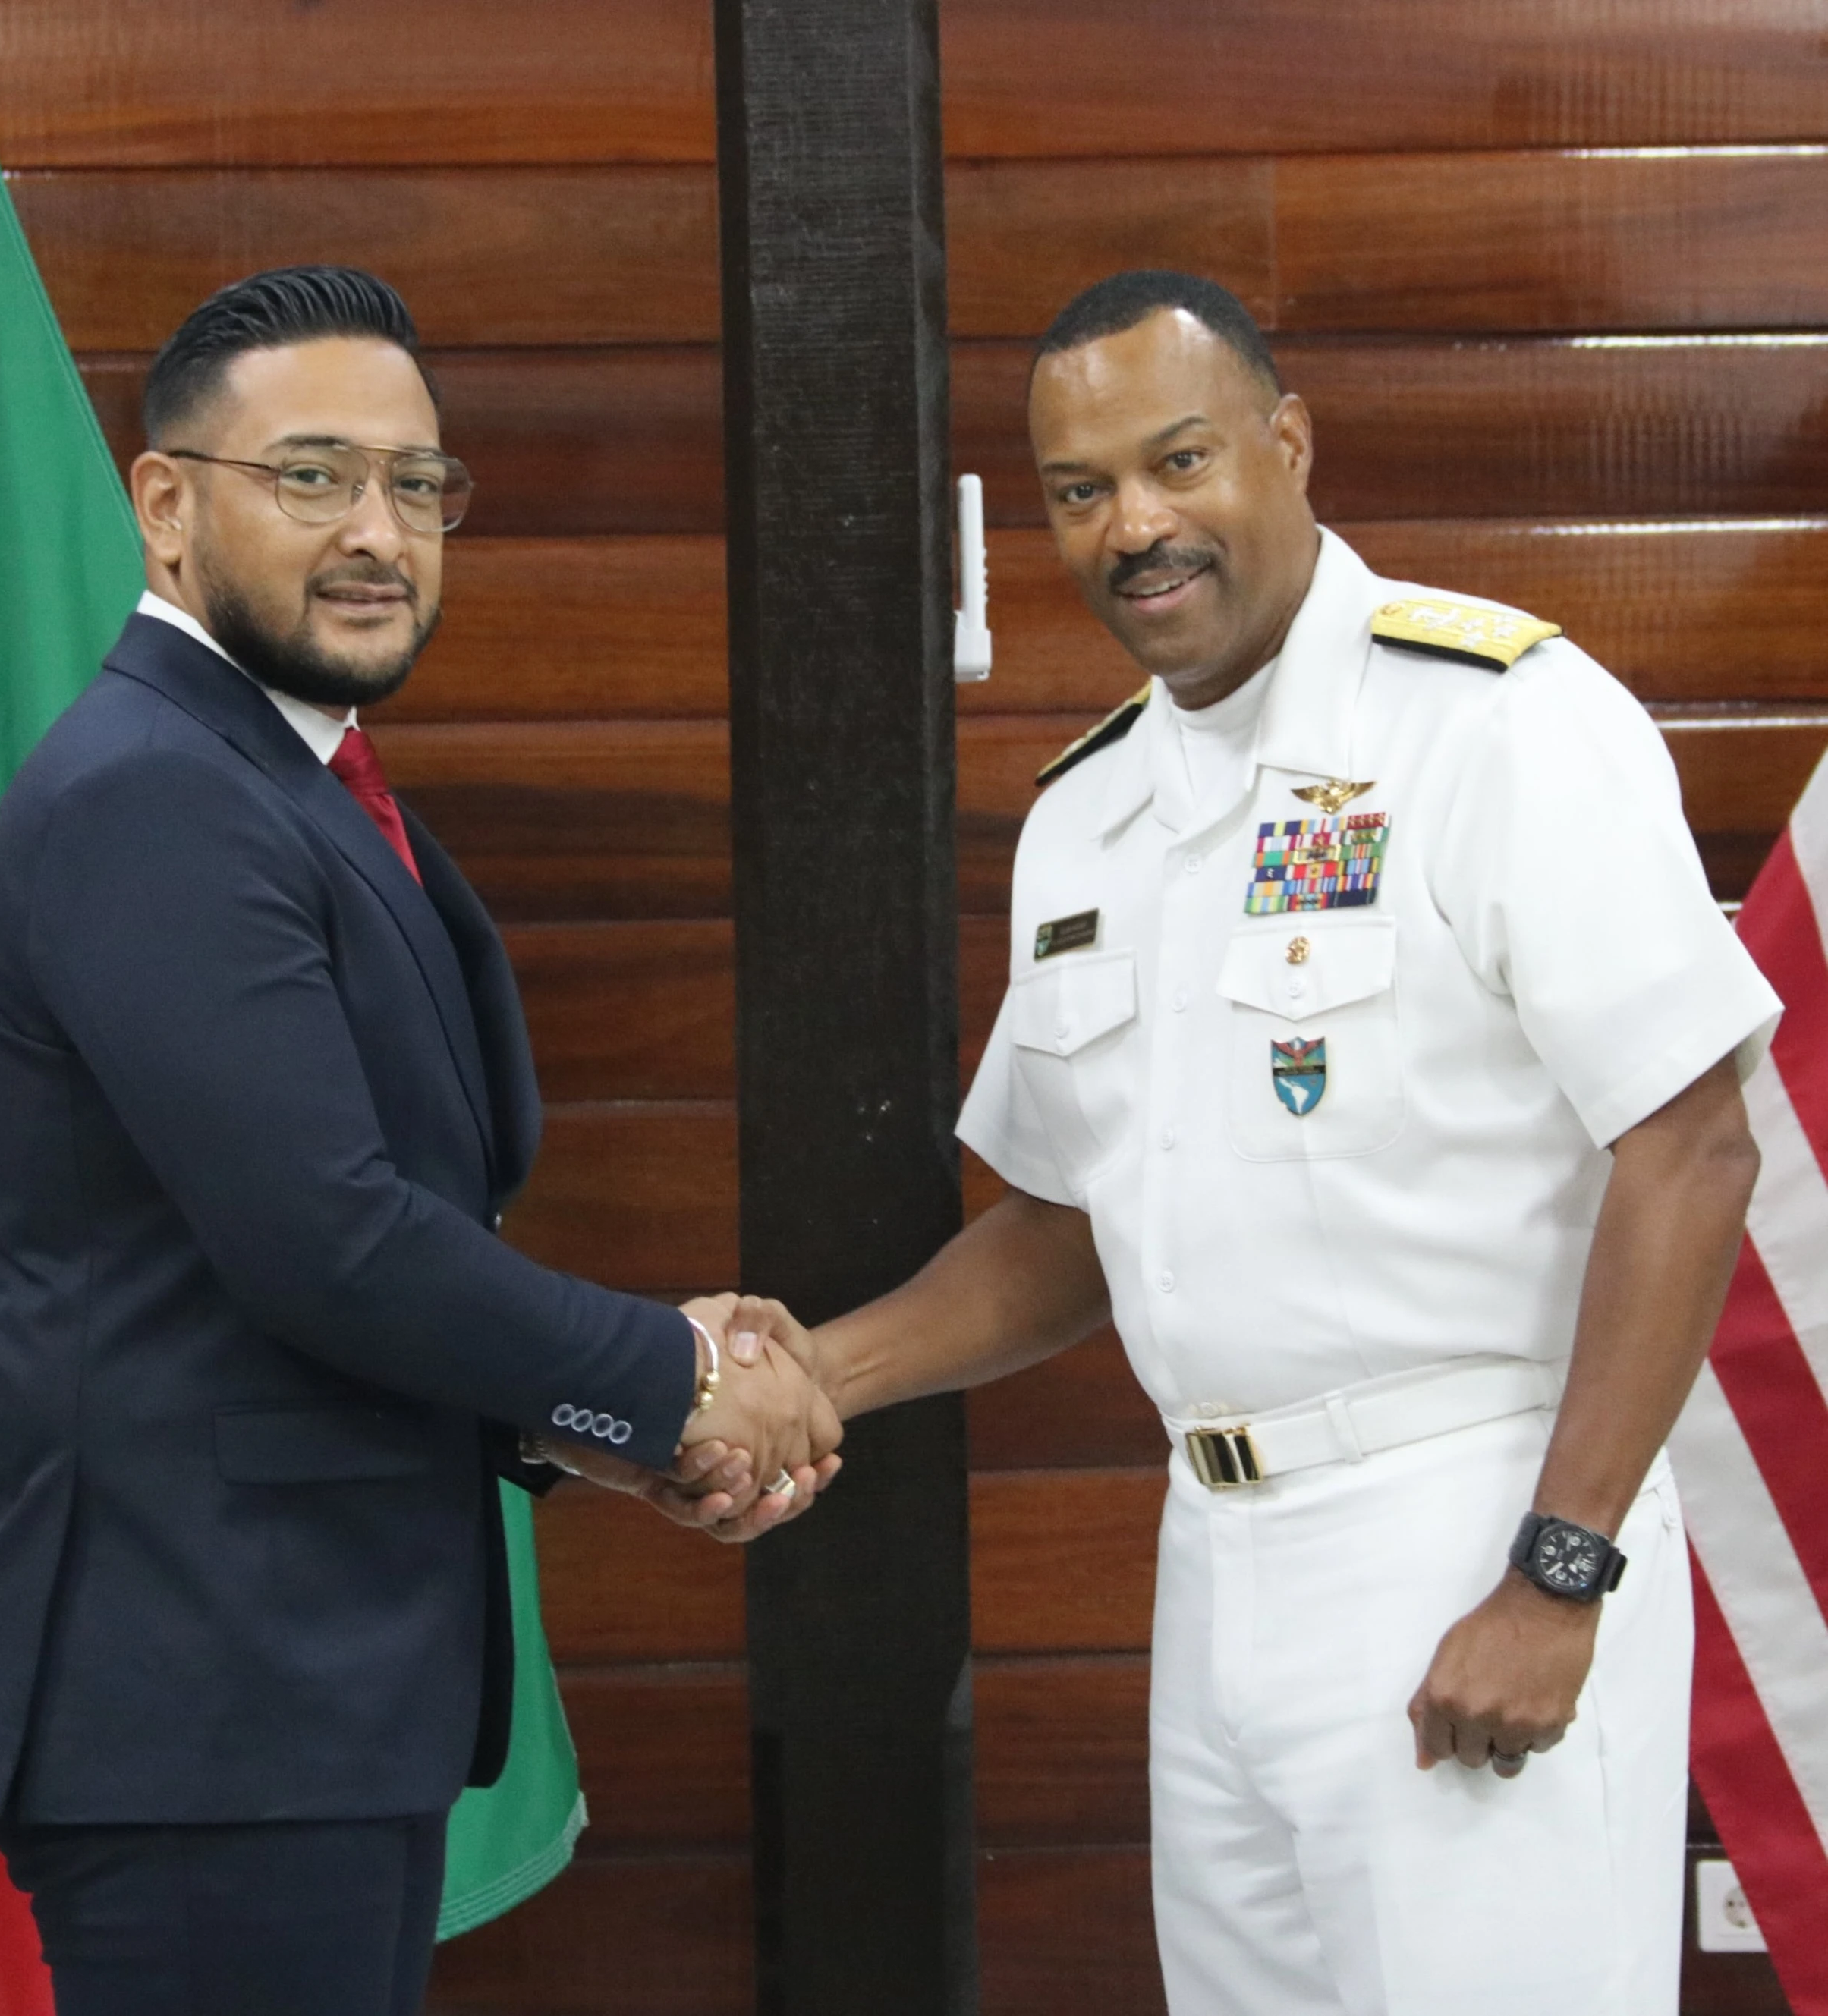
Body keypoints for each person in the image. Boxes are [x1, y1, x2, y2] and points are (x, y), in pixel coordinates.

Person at [728, 270, 1779, 2011]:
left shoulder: (1497, 721)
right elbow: (1075, 1224)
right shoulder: (1088, 816)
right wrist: (809, 1372)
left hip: (1474, 1518)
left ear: (1286, 443)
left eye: (1179, 458)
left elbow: (1691, 1143)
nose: (1134, 524)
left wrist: (1560, 1568)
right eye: (1080, 490)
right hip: (1215, 1558)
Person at [0, 265, 837, 2016]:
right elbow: (329, 1240)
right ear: (167, 504)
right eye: (316, 476)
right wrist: (668, 1372)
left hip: (289, 1699)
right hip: (208, 1704)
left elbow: (334, 1250)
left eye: (419, 486)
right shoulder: (156, 792)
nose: (379, 531)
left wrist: (602, 1424)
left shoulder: (290, 778)